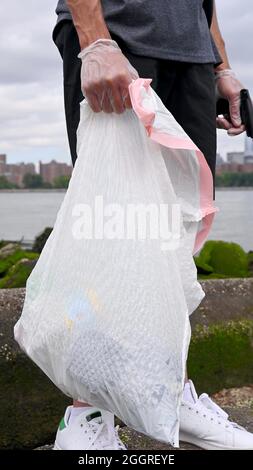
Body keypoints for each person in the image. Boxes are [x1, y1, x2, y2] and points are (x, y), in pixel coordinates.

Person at [52, 0, 253, 450]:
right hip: (117, 36)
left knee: (178, 232)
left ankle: (171, 395)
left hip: (193, 55)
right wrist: (95, 39)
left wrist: (220, 63)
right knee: (113, 224)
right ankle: (86, 416)